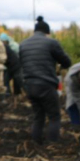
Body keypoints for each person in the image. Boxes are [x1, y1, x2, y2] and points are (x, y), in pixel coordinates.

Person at [19, 16, 72, 144]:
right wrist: (60, 66)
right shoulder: (51, 43)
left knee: (38, 117)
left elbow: (22, 63)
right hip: (46, 84)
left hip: (29, 85)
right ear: (47, 32)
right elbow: (66, 61)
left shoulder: (23, 44)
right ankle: (52, 144)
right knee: (54, 116)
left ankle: (36, 143)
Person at [0, 33, 23, 99]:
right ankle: (8, 96)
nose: (3, 43)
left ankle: (18, 95)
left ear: (7, 41)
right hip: (7, 67)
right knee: (5, 81)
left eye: (4, 41)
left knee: (17, 81)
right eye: (2, 41)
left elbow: (18, 56)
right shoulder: (1, 46)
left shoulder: (15, 46)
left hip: (16, 66)